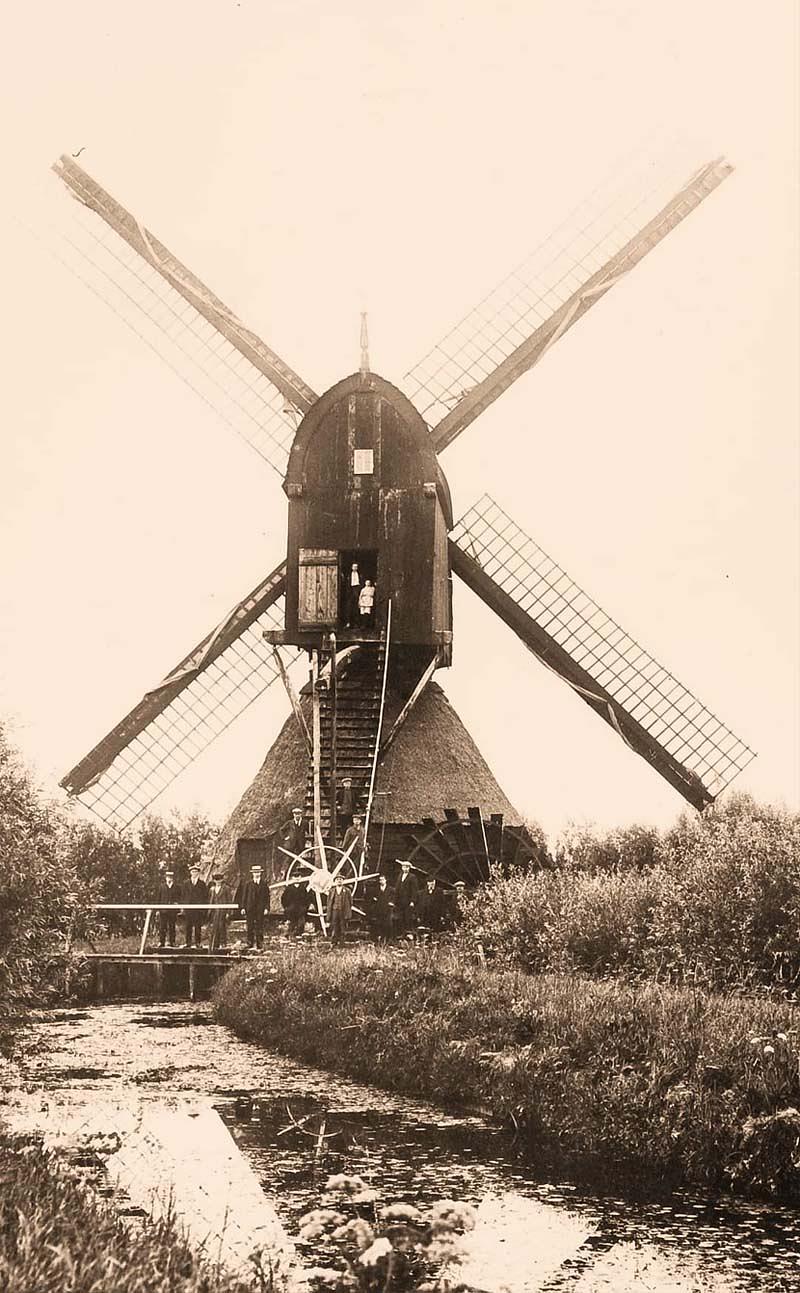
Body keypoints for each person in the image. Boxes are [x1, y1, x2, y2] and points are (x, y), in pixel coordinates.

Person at [239, 863, 271, 949]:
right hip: (250, 908)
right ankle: (250, 943)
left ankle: (259, 943)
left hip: (260, 908)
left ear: (260, 873)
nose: (256, 874)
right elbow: (244, 896)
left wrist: (267, 908)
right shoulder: (248, 884)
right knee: (250, 926)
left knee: (259, 925)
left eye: (258, 872)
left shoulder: (264, 884)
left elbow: (267, 897)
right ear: (252, 873)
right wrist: (243, 907)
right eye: (255, 872)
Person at [181, 863, 209, 948]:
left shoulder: (202, 884)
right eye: (193, 872)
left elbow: (205, 896)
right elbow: (183, 896)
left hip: (198, 909)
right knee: (188, 926)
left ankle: (198, 942)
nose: (194, 873)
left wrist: (203, 909)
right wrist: (183, 907)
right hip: (188, 908)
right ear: (190, 873)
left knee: (197, 926)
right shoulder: (186, 883)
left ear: (198, 873)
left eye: (196, 872)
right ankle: (188, 943)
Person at [394, 860, 420, 936]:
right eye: (404, 867)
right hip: (400, 901)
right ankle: (401, 934)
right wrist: (395, 900)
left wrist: (413, 901)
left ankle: (408, 934)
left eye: (407, 867)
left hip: (408, 901)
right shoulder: (400, 876)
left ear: (409, 868)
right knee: (400, 918)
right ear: (402, 868)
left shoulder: (412, 877)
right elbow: (397, 888)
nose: (405, 868)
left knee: (407, 918)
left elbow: (414, 890)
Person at [207, 872, 230, 951]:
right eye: (216, 880)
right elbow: (210, 900)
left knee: (222, 926)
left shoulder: (226, 888)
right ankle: (215, 944)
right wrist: (210, 911)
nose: (218, 882)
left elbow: (229, 900)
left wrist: (228, 912)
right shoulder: (212, 889)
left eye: (219, 880)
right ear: (214, 881)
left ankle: (223, 943)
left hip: (222, 910)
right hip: (214, 911)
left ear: (222, 880)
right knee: (214, 927)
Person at [156, 868, 179, 948]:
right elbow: (158, 898)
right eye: (168, 877)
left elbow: (179, 897)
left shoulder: (176, 887)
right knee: (162, 927)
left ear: (172, 878)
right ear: (166, 878)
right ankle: (161, 942)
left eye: (170, 877)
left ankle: (172, 942)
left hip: (172, 911)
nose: (169, 878)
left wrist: (177, 904)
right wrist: (158, 910)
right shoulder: (162, 887)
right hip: (163, 910)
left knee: (172, 926)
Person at [370, 873, 395, 943]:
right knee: (379, 924)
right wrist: (374, 901)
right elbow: (373, 899)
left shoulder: (391, 889)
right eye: (380, 880)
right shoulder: (376, 889)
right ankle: (381, 939)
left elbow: (394, 897)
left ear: (386, 880)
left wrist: (392, 903)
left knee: (388, 924)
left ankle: (388, 939)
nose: (381, 881)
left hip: (388, 910)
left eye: (383, 880)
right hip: (379, 909)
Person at [327, 876, 352, 945]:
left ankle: (342, 942)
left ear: (343, 881)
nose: (339, 881)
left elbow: (350, 902)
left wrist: (347, 910)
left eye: (340, 879)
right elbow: (329, 901)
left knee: (342, 926)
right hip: (334, 911)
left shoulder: (347, 891)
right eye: (337, 879)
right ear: (335, 881)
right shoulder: (332, 891)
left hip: (343, 911)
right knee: (334, 925)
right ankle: (334, 941)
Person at [347, 562, 361, 627]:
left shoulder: (360, 575)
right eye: (354, 567)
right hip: (350, 589)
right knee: (349, 606)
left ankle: (356, 623)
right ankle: (349, 622)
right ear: (352, 567)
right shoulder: (349, 575)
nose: (355, 568)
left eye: (356, 567)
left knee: (356, 606)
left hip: (357, 589)